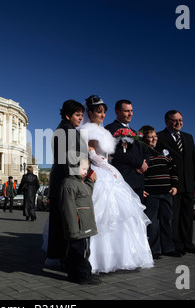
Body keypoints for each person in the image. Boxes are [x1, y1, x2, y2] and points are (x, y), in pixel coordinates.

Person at [78, 95, 154, 273]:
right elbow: (91, 153)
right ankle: (97, 259)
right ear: (90, 112)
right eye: (98, 112)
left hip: (108, 169)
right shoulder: (88, 129)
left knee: (124, 215)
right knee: (102, 215)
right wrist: (107, 166)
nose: (102, 115)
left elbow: (109, 154)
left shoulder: (104, 131)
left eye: (103, 112)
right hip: (100, 170)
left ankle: (122, 256)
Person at [47, 99, 91, 266]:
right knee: (68, 223)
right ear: (68, 115)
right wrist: (84, 176)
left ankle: (56, 257)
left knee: (59, 223)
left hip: (60, 180)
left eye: (81, 115)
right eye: (77, 115)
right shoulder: (68, 131)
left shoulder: (62, 129)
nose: (81, 118)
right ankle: (66, 260)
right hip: (68, 181)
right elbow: (72, 159)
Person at [156, 110, 195, 255]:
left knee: (187, 216)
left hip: (189, 182)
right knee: (174, 216)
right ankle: (176, 245)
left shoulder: (188, 137)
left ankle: (188, 243)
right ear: (167, 121)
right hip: (173, 184)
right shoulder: (160, 137)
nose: (178, 123)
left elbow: (194, 159)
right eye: (175, 120)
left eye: (181, 120)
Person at [140, 125, 180, 259]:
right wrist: (142, 189)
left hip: (166, 192)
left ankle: (168, 248)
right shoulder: (142, 152)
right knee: (152, 222)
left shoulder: (163, 151)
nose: (153, 139)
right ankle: (154, 250)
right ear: (144, 138)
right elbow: (140, 173)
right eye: (150, 137)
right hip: (152, 193)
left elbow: (173, 168)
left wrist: (174, 185)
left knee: (167, 220)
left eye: (155, 136)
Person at [60, 157, 100, 285]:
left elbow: (87, 192)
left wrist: (90, 180)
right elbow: (68, 209)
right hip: (78, 228)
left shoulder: (80, 183)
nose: (85, 171)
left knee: (80, 252)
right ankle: (84, 277)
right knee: (81, 253)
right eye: (83, 169)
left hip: (84, 227)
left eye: (87, 169)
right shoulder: (69, 184)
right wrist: (73, 230)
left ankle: (74, 275)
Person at [105, 99, 149, 200]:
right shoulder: (111, 129)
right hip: (124, 179)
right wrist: (139, 164)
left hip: (139, 180)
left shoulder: (134, 132)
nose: (130, 114)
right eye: (126, 111)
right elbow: (117, 152)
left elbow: (145, 151)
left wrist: (145, 163)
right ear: (117, 112)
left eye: (131, 111)